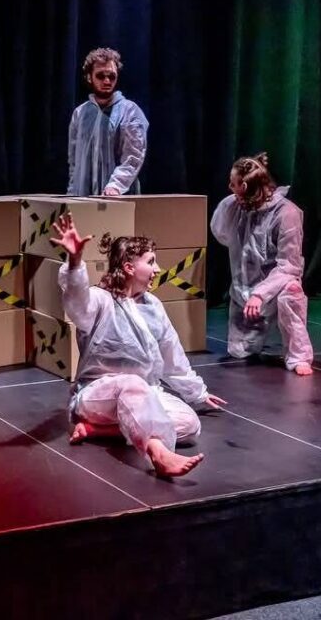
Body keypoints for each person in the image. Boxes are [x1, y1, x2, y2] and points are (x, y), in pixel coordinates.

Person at [50, 212, 226, 477]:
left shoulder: (153, 306)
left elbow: (172, 355)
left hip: (145, 394)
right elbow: (77, 302)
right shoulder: (101, 300)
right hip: (99, 396)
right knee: (132, 384)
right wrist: (75, 262)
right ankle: (158, 453)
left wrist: (197, 393)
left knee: (189, 424)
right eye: (151, 262)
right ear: (129, 267)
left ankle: (98, 431)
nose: (158, 269)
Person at [209, 152, 314, 375]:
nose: (230, 187)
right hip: (244, 292)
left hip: (274, 288)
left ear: (245, 186)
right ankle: (250, 334)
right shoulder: (236, 207)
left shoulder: (287, 213)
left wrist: (260, 294)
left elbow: (289, 266)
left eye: (234, 183)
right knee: (239, 351)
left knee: (292, 291)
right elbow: (220, 231)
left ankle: (298, 355)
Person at [66, 47, 149, 196]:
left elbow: (133, 156)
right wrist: (72, 192)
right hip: (83, 198)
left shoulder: (129, 111)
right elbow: (74, 161)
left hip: (118, 198)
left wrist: (116, 185)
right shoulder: (80, 113)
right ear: (89, 77)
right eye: (100, 76)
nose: (107, 81)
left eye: (111, 76)